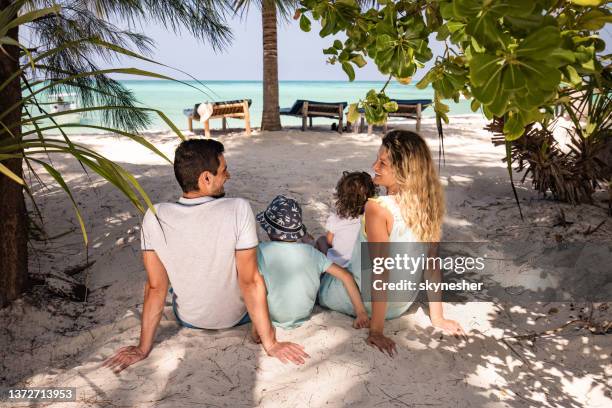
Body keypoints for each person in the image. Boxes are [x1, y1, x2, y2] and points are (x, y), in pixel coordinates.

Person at [104, 139, 308, 372]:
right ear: (206, 179)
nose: (228, 176)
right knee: (260, 255)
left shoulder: (155, 216)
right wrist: (271, 344)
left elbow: (155, 288)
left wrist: (142, 348)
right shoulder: (238, 208)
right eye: (223, 170)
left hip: (189, 318)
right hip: (237, 318)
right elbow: (250, 281)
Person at [318, 130, 466, 356]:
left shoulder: (377, 207)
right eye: (377, 159)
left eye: (383, 163)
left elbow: (380, 271)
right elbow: (432, 265)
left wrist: (376, 330)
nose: (374, 166)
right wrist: (438, 317)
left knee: (317, 255)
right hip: (400, 304)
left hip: (358, 301)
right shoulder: (429, 206)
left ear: (404, 170)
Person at [256, 195, 369, 330]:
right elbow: (346, 276)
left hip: (270, 315)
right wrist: (361, 313)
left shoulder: (261, 251)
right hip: (304, 313)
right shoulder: (312, 253)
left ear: (269, 229)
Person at [314, 171, 376, 268]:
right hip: (361, 266)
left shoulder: (336, 218)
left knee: (321, 240)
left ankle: (321, 273)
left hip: (339, 265)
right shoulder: (373, 219)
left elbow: (330, 241)